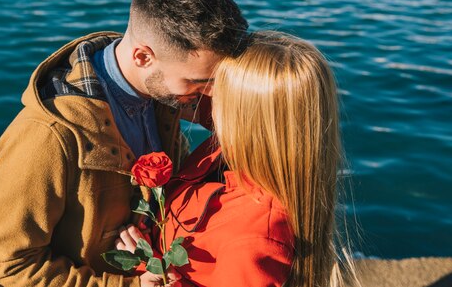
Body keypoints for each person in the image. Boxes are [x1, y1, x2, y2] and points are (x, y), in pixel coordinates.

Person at [0, 0, 248, 287]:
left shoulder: (164, 89)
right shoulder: (47, 136)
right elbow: (6, 266)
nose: (209, 93)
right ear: (143, 57)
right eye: (198, 82)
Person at [116, 31, 357, 287]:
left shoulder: (255, 238)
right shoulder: (242, 154)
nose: (205, 94)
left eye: (216, 91)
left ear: (245, 119)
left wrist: (149, 265)